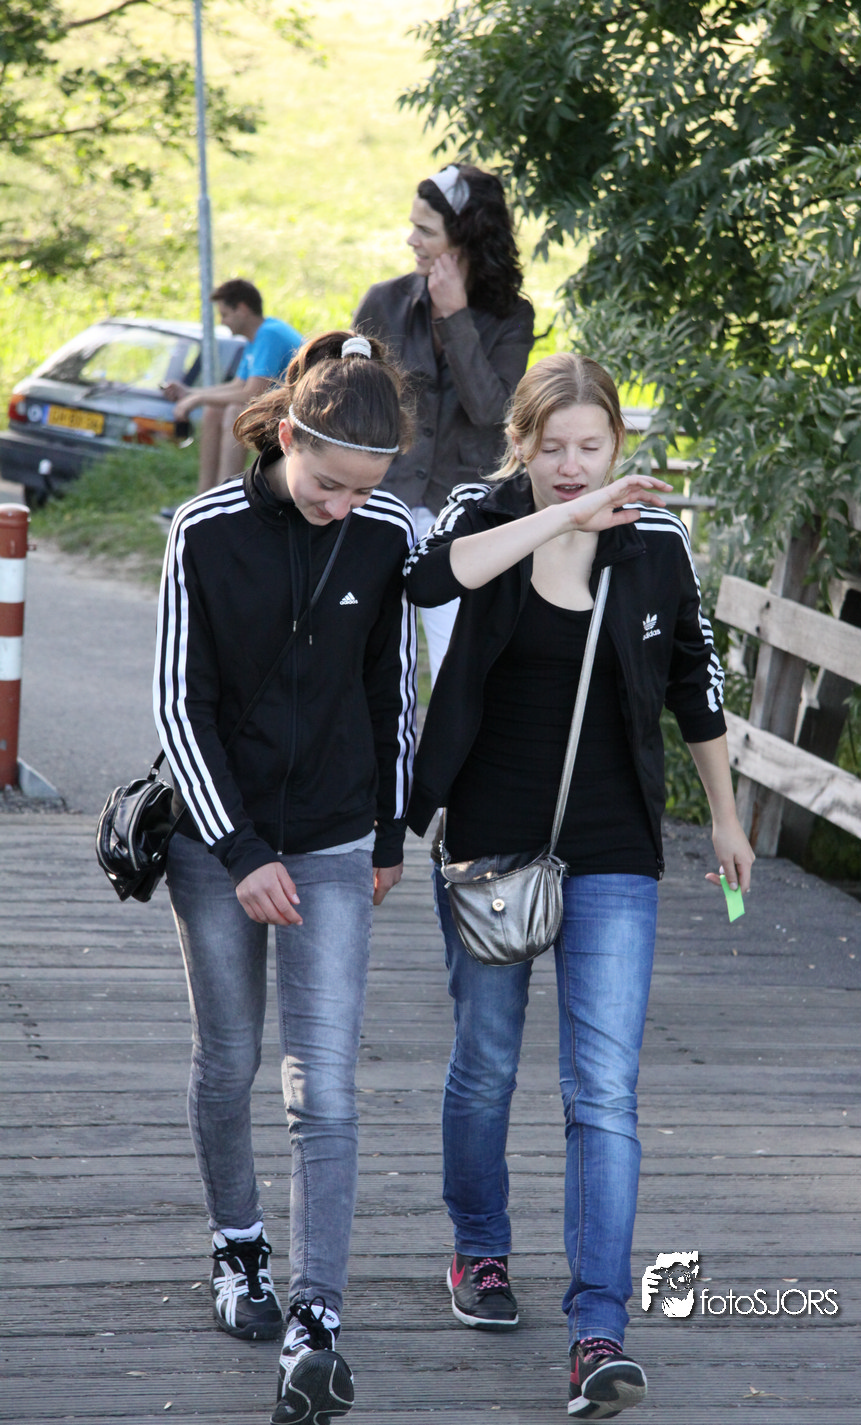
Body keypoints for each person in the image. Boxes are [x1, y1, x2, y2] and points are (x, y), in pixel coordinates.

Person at [403, 353, 754, 1418]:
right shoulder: (485, 515)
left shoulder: (656, 542)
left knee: (602, 1091)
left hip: (613, 843)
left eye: (590, 447)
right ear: (519, 443)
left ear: (617, 445)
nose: (571, 463)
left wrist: (727, 816)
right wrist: (559, 517)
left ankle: (598, 1328)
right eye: (550, 446)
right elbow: (430, 580)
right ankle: (479, 1250)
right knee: (485, 1065)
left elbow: (693, 678)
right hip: (490, 840)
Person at [153, 330, 417, 1425]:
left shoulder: (386, 534)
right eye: (327, 484)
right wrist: (240, 850)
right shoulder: (203, 530)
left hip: (336, 837)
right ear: (289, 439)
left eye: (365, 491)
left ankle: (316, 1315)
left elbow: (393, 691)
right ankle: (238, 1247)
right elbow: (180, 706)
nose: (343, 507)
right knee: (229, 1058)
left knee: (327, 1086)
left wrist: (389, 833)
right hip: (217, 841)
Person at [354, 164, 534, 682]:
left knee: (457, 662)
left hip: (459, 515)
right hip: (378, 501)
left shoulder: (512, 317)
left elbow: (492, 413)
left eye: (425, 230)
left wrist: (455, 316)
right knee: (364, 654)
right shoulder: (384, 301)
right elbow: (353, 404)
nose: (411, 239)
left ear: (466, 237)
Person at [164, 278, 302, 497]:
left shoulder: (269, 334)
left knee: (235, 411)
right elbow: (238, 385)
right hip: (282, 407)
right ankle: (205, 495)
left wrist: (196, 399)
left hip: (300, 412)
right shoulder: (255, 337)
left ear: (243, 309)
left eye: (225, 314)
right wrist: (190, 393)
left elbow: (251, 394)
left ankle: (226, 495)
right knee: (214, 410)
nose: (223, 321)